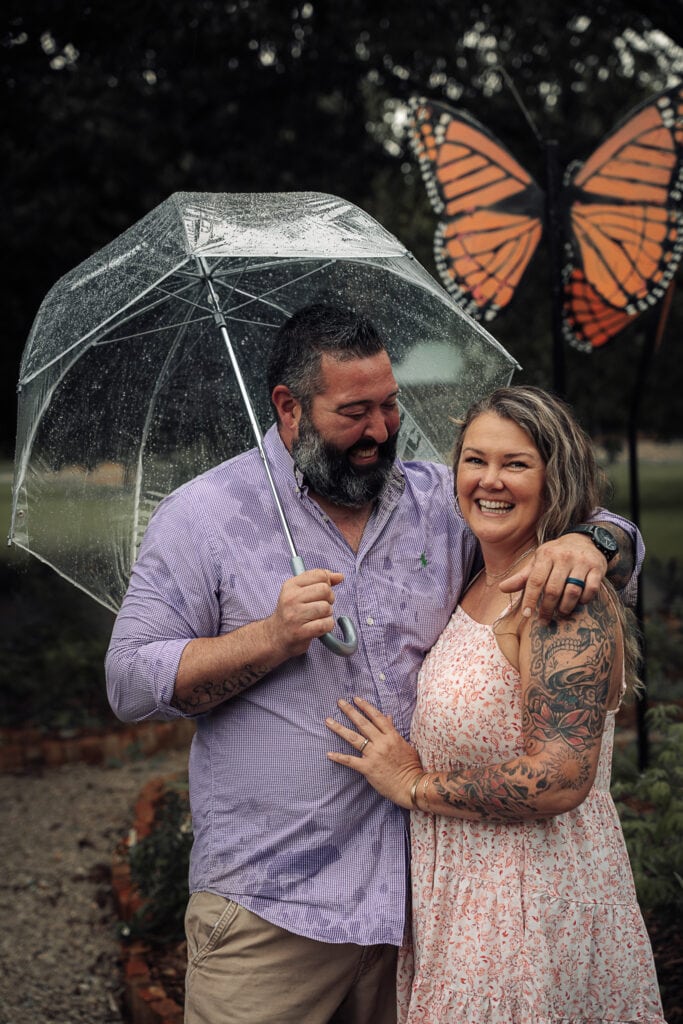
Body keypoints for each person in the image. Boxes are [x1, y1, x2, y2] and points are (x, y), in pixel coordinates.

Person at [106, 307, 642, 1024]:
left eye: (389, 405)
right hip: (277, 909)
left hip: (427, 905)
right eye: (354, 412)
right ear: (289, 407)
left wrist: (596, 540)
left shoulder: (435, 502)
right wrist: (268, 637)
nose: (381, 431)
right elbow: (129, 681)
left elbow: (553, 515)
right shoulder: (201, 518)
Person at [325, 385, 664, 1024]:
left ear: (554, 476)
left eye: (515, 464)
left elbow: (562, 778)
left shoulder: (564, 602)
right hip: (461, 909)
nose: (490, 481)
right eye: (475, 460)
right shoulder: (476, 579)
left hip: (531, 915)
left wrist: (416, 784)